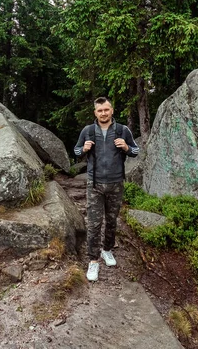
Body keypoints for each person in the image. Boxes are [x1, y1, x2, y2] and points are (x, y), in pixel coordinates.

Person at [74, 97, 140, 281]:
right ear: (95, 113)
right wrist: (84, 149)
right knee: (94, 224)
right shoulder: (88, 131)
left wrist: (126, 147)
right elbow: (76, 150)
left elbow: (136, 151)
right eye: (100, 110)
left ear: (111, 110)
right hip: (94, 184)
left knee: (111, 221)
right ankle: (93, 261)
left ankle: (107, 250)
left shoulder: (122, 130)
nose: (103, 113)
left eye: (106, 109)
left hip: (116, 183)